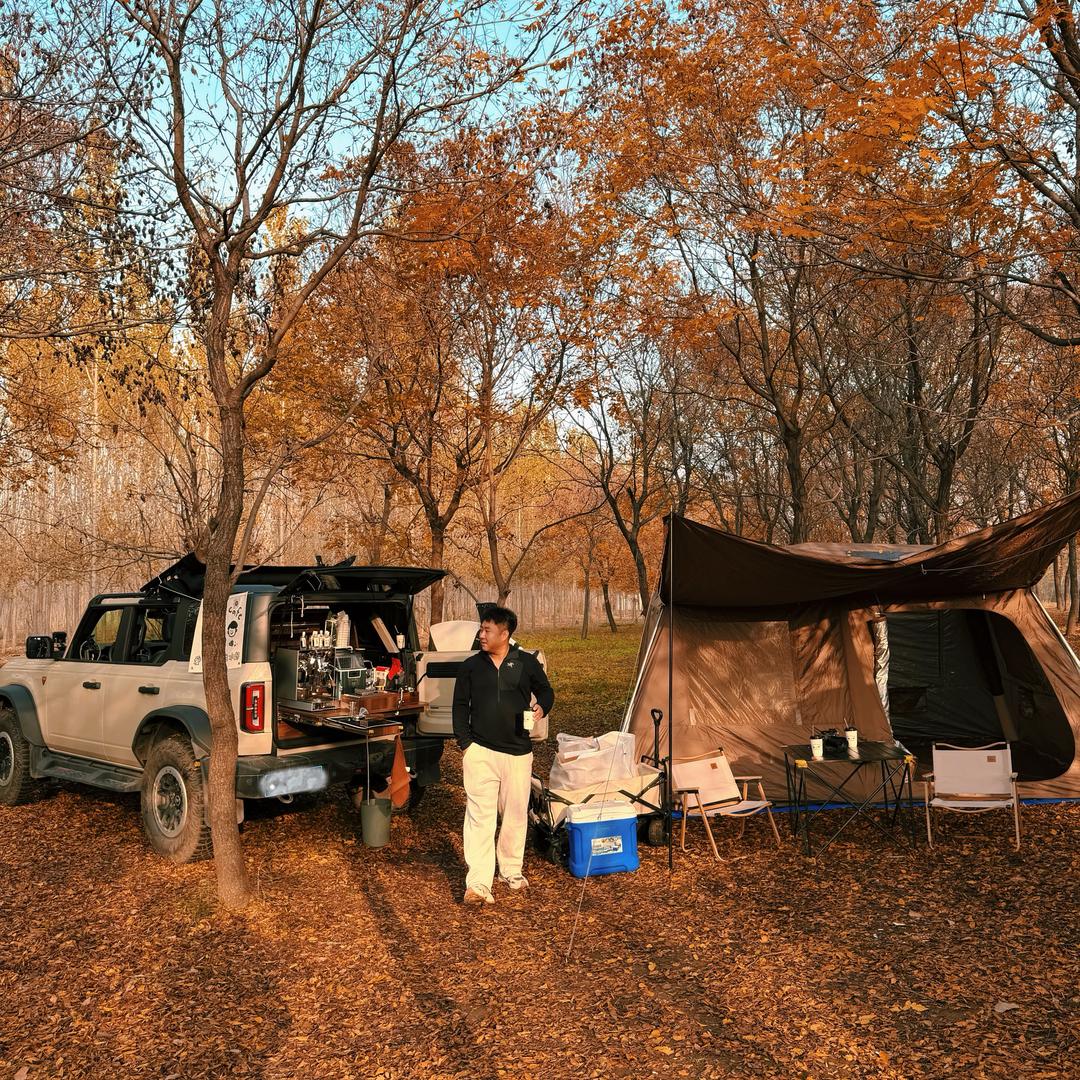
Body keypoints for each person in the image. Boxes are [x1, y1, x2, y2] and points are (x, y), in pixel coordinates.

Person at [453, 606, 554, 905]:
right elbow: (460, 706)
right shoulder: (471, 667)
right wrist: (466, 745)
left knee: (514, 815)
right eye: (481, 629)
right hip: (480, 751)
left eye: (487, 630)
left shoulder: (525, 662)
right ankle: (478, 883)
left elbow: (546, 691)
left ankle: (510, 870)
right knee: (479, 817)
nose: (481, 635)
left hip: (518, 754)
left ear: (505, 634)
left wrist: (542, 707)